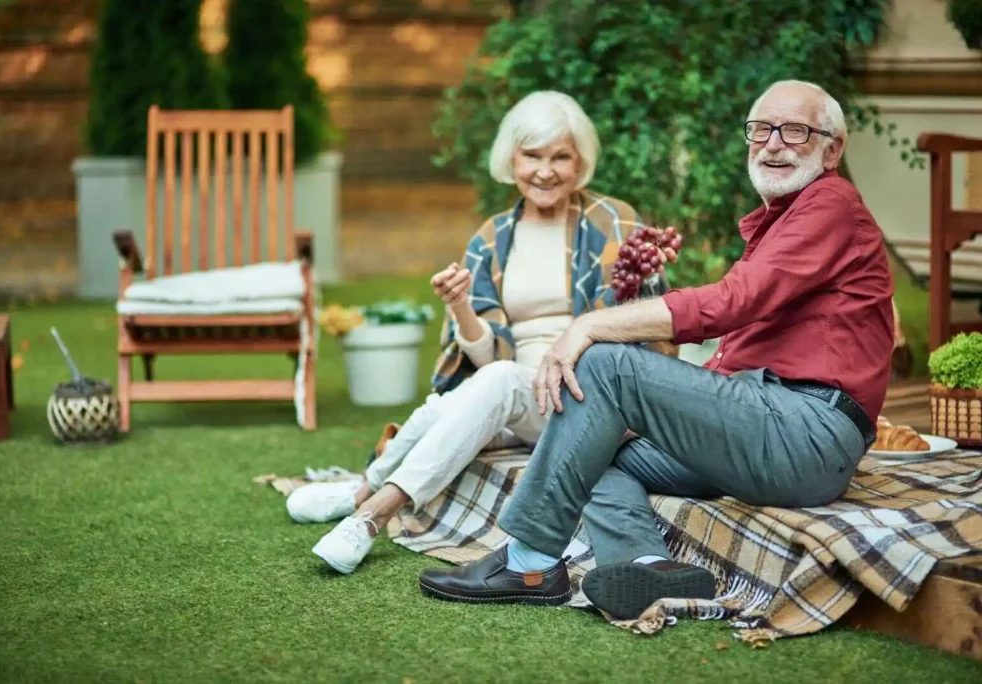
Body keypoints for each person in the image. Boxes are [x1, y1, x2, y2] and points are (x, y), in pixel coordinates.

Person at [417, 80, 895, 618]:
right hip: (765, 428)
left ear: (832, 150)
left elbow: (731, 303)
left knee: (604, 361)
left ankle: (529, 560)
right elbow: (734, 355)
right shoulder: (783, 222)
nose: (773, 143)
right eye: (762, 129)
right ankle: (646, 565)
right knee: (594, 446)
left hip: (806, 433)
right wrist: (643, 415)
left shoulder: (830, 204)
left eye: (795, 131)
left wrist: (590, 325)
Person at [286, 90, 673, 575]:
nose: (545, 171)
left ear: (581, 162)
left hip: (584, 399)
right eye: (532, 156)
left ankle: (372, 512)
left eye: (560, 157)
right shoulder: (492, 237)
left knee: (490, 386)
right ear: (511, 159)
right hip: (519, 399)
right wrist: (459, 305)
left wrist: (648, 285)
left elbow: (654, 322)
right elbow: (489, 361)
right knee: (453, 402)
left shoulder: (616, 221)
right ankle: (363, 492)